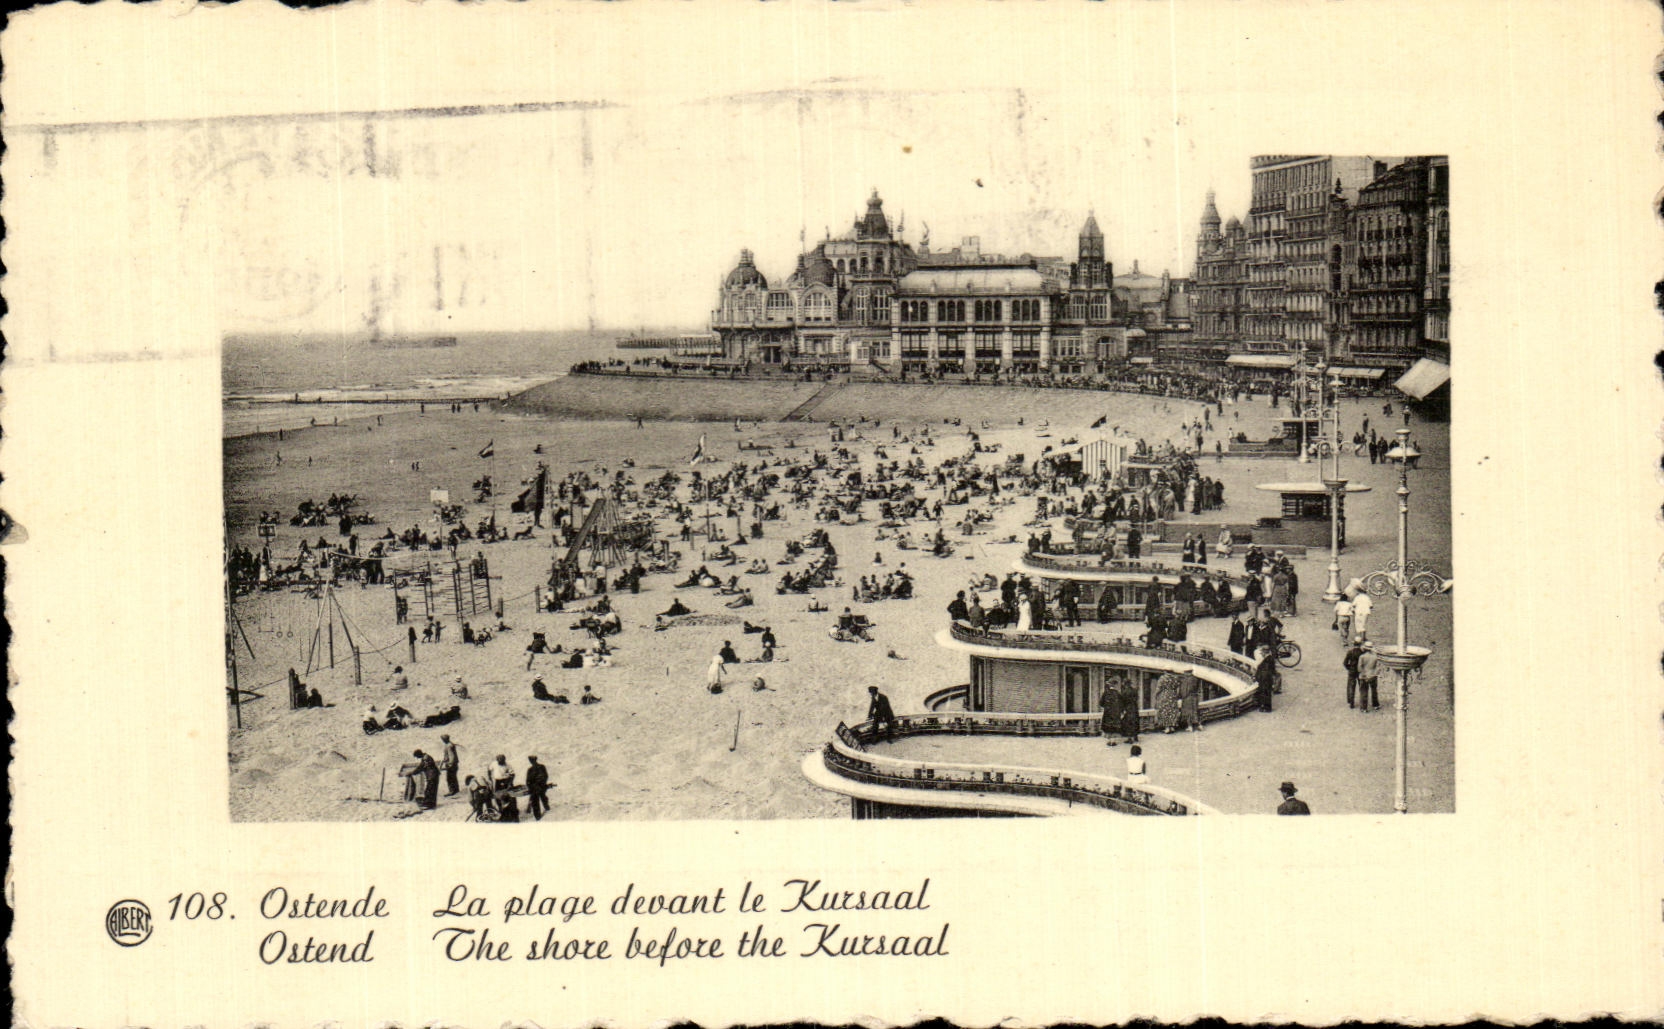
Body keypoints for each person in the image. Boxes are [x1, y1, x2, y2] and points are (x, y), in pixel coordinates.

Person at [1357, 640, 1381, 711]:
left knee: (1364, 691)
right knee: (1374, 691)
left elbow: (1359, 667)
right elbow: (1378, 667)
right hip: (1373, 675)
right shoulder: (1375, 657)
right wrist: (1375, 673)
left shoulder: (1362, 657)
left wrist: (1364, 674)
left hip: (1364, 676)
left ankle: (1364, 707)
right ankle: (1376, 705)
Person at [525, 756, 550, 820]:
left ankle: (545, 808)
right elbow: (528, 781)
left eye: (532, 760)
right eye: (531, 760)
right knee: (536, 800)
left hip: (540, 786)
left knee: (540, 797)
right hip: (535, 787)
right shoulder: (530, 769)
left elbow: (545, 776)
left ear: (535, 760)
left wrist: (541, 784)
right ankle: (538, 815)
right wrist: (530, 787)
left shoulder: (541, 767)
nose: (532, 762)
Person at [1342, 637, 1365, 709]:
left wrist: (1349, 668)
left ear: (1354, 643)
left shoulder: (1350, 652)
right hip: (1360, 671)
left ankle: (1351, 702)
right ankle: (1362, 702)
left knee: (1351, 686)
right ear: (1360, 644)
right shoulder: (1362, 652)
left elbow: (1345, 663)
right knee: (1361, 686)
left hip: (1352, 670)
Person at [1100, 680, 1125, 747]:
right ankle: (1113, 741)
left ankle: (1109, 741)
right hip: (1116, 713)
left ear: (1109, 685)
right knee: (1114, 726)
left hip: (1108, 712)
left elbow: (1101, 703)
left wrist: (1106, 707)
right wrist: (1120, 711)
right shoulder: (1118, 693)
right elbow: (1122, 703)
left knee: (1108, 726)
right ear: (1115, 685)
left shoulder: (1105, 693)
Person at [1254, 647, 1278, 712]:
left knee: (1265, 693)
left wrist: (1257, 676)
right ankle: (1266, 707)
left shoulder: (1266, 660)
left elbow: (1262, 670)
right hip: (1268, 679)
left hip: (1265, 679)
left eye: (1262, 652)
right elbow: (1273, 670)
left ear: (1265, 652)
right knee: (1267, 693)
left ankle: (1266, 707)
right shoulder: (1270, 659)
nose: (1261, 654)